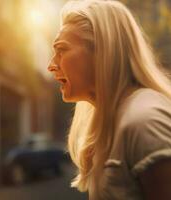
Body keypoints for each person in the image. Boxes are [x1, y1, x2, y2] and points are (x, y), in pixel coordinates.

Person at [48, 0, 171, 199]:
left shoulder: (145, 121)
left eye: (61, 49)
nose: (51, 65)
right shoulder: (117, 122)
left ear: (103, 49)